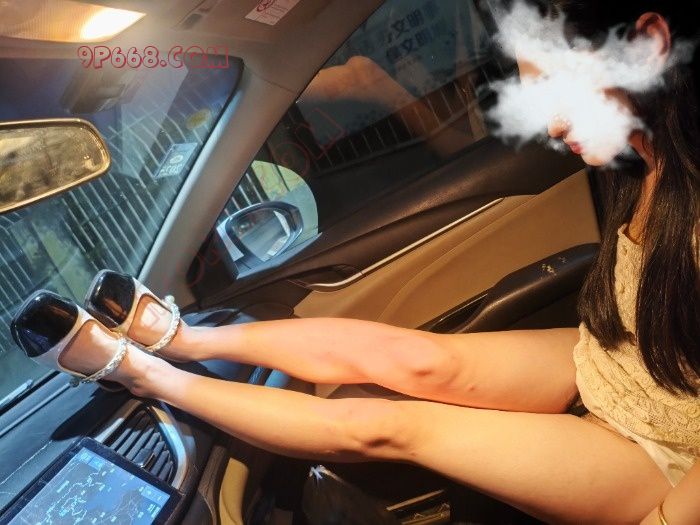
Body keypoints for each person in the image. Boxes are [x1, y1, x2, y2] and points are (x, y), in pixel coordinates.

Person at [10, 1, 699, 523]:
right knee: (419, 359)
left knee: (389, 424)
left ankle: (141, 371)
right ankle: (184, 338)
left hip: (667, 451)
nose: (549, 125)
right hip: (627, 359)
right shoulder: (644, 164)